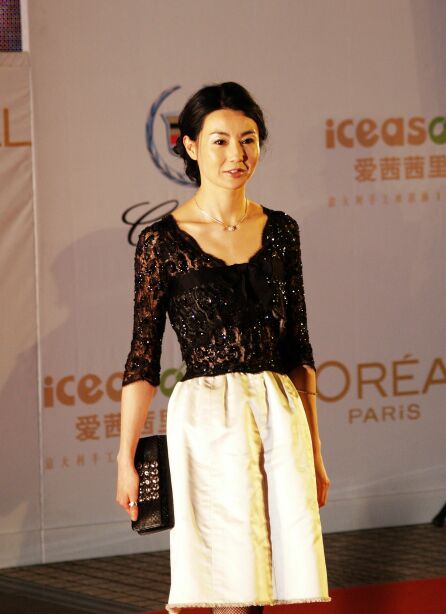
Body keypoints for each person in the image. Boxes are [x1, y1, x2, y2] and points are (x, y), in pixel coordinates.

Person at [116, 81, 331, 614]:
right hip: (208, 421)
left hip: (279, 414)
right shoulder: (162, 242)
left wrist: (316, 451)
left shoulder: (281, 230)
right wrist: (125, 458)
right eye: (220, 141)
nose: (237, 154)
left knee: (270, 577)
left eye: (248, 139)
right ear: (190, 146)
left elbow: (299, 349)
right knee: (228, 580)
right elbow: (142, 359)